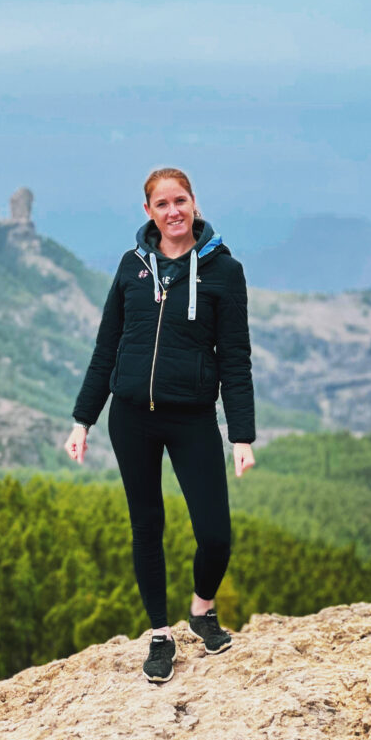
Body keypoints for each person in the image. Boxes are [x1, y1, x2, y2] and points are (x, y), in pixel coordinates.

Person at [65, 167, 256, 683]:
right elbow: (107, 348)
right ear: (148, 212)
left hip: (192, 418)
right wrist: (84, 419)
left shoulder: (223, 270)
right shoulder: (132, 267)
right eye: (162, 204)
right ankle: (159, 635)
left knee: (214, 532)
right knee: (147, 527)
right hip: (131, 419)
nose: (173, 211)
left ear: (194, 203)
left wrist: (241, 434)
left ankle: (201, 609)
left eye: (181, 201)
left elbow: (235, 357)